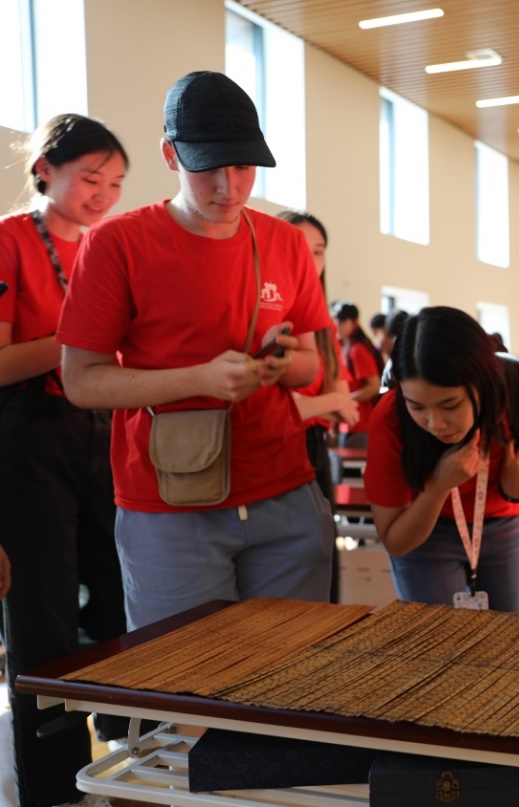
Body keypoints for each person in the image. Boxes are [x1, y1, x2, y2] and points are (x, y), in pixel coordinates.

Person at [57, 70, 335, 631]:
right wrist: (200, 379)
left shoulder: (285, 242)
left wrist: (283, 366)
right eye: (208, 168)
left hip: (285, 489)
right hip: (171, 501)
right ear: (170, 155)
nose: (228, 188)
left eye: (243, 168)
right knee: (185, 676)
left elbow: (313, 364)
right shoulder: (117, 243)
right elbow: (81, 381)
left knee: (291, 673)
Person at [1, 113, 129, 807]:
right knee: (43, 617)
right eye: (90, 178)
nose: (103, 195)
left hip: (106, 429)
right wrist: (79, 339)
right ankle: (54, 789)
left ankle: (132, 756)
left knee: (122, 597)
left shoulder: (111, 245)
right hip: (31, 433)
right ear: (45, 170)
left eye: (115, 183)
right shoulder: (10, 240)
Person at [364, 306, 519, 612]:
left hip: (501, 521)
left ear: (482, 382)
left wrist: (518, 488)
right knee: (438, 638)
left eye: (450, 405)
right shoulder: (391, 416)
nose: (435, 423)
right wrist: (437, 487)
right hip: (425, 531)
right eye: (417, 406)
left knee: (504, 636)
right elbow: (396, 541)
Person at [277, 210, 359, 602]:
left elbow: (347, 407)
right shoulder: (271, 317)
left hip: (315, 453)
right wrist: (328, 403)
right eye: (298, 248)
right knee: (283, 572)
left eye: (319, 251)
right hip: (275, 452)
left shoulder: (323, 326)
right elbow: (273, 409)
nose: (311, 260)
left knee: (321, 561)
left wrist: (311, 405)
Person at [331, 301, 384, 448]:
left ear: (355, 322)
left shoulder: (358, 349)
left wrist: (344, 400)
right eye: (336, 320)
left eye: (342, 321)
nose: (338, 325)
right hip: (350, 424)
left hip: (360, 425)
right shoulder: (347, 347)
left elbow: (374, 386)